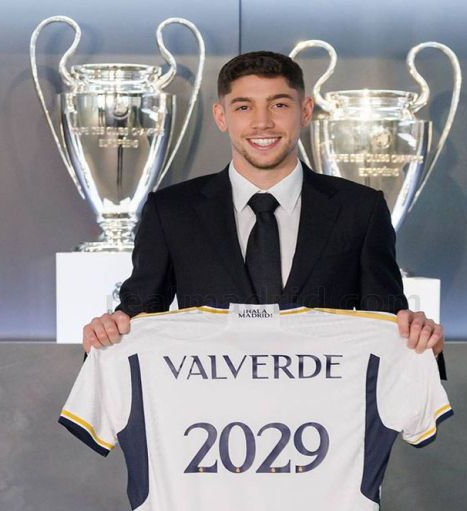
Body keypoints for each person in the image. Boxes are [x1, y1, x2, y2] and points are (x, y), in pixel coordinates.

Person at [83, 51, 446, 378]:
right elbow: (138, 315)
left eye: (279, 105)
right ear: (221, 116)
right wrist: (107, 334)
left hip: (326, 428)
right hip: (205, 427)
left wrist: (419, 340)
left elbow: (385, 323)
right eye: (243, 107)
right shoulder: (171, 210)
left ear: (305, 112)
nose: (262, 123)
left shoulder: (360, 209)